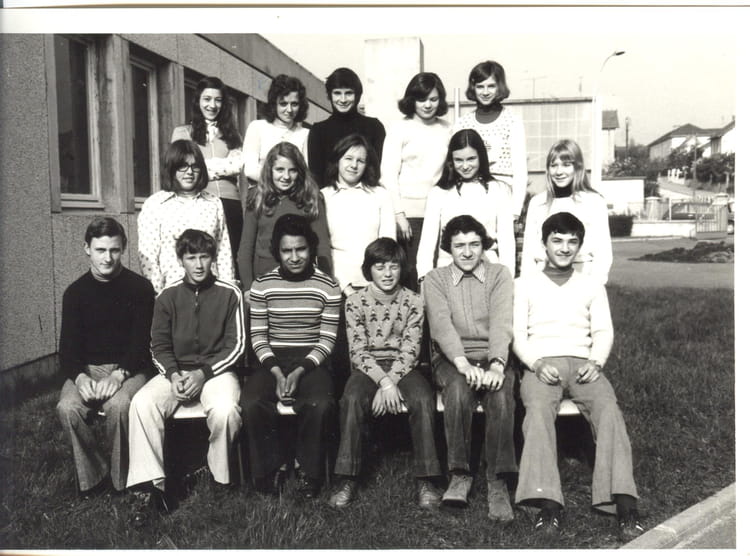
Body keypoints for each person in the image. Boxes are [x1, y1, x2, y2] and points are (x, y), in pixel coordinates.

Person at [513, 212, 643, 540]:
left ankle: (623, 502)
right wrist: (535, 364)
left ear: (580, 246)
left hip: (584, 363)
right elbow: (518, 337)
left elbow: (602, 331)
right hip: (542, 363)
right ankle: (547, 504)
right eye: (557, 240)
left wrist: (596, 362)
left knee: (609, 410)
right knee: (538, 412)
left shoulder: (591, 285)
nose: (564, 247)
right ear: (544, 244)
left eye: (572, 241)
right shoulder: (524, 284)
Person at [127, 229, 245, 517]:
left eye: (204, 256)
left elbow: (236, 345)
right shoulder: (167, 296)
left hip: (216, 372)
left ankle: (219, 479)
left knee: (226, 410)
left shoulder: (230, 294)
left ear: (213, 258)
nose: (199, 264)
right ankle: (150, 488)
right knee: (142, 403)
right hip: (176, 372)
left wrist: (203, 374)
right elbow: (158, 345)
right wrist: (173, 375)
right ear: (181, 260)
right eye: (191, 257)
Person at [328, 238, 441, 510]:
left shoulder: (414, 301)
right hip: (368, 367)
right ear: (368, 269)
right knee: (352, 398)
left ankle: (426, 479)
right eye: (380, 267)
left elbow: (411, 350)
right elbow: (358, 352)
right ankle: (347, 478)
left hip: (405, 367)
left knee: (422, 399)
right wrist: (384, 382)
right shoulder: (355, 302)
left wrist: (390, 382)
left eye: (394, 266)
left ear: (402, 268)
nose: (388, 273)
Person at [423, 215, 516, 523]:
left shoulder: (499, 274)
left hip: (492, 355)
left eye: (474, 244)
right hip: (452, 358)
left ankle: (497, 480)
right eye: (459, 245)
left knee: (500, 396)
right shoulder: (435, 279)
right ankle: (460, 474)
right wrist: (462, 363)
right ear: (448, 248)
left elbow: (502, 322)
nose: (467, 252)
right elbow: (441, 325)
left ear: (483, 245)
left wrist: (497, 364)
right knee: (459, 392)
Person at [240, 214, 340, 498]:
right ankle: (271, 469)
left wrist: (298, 372)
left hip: (311, 360)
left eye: (301, 249)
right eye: (287, 251)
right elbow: (259, 338)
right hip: (271, 359)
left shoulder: (328, 286)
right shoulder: (262, 285)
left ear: (311, 247)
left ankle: (308, 470)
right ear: (277, 251)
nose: (294, 257)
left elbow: (327, 340)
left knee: (320, 403)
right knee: (251, 402)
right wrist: (276, 372)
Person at [56, 217, 154, 497]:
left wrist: (119, 374)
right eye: (100, 250)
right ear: (87, 248)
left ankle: (121, 479)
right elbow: (67, 350)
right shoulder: (75, 293)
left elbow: (141, 344)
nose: (107, 258)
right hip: (88, 369)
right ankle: (95, 476)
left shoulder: (140, 288)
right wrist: (80, 377)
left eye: (114, 250)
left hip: (131, 368)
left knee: (119, 405)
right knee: (67, 408)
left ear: (123, 248)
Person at [380, 72, 452, 289]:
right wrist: (399, 214)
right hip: (408, 216)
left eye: (433, 99)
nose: (428, 105)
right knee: (411, 273)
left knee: (436, 272)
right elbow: (389, 174)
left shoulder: (447, 129)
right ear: (412, 99)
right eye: (422, 99)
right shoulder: (399, 128)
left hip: (438, 211)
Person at [416, 129, 515, 280]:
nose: (465, 166)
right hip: (448, 272)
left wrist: (508, 280)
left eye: (471, 159)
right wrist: (424, 277)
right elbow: (427, 242)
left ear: (481, 157)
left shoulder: (499, 190)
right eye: (459, 160)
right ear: (451, 160)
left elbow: (507, 241)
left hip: (488, 272)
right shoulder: (439, 193)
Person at [138, 139, 234, 294]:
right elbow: (148, 255)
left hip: (211, 291)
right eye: (182, 166)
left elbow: (223, 251)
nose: (189, 172)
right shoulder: (155, 204)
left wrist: (227, 291)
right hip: (172, 291)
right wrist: (159, 294)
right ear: (171, 168)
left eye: (195, 166)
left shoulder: (213, 203)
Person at [237, 141, 332, 290]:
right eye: (279, 169)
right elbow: (245, 248)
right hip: (265, 279)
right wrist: (248, 288)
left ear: (300, 171)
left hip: (302, 280)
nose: (286, 176)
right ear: (270, 170)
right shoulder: (257, 197)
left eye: (292, 170)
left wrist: (326, 282)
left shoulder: (311, 197)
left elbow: (322, 246)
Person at [171, 76, 244, 262]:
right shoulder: (183, 132)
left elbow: (237, 165)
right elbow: (180, 167)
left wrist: (202, 165)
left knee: (231, 257)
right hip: (198, 200)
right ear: (198, 101)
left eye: (218, 100)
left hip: (230, 202)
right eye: (207, 99)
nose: (212, 105)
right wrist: (223, 165)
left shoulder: (233, 135)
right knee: (201, 256)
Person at [520, 139, 612, 284]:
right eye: (553, 165)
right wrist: (528, 286)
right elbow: (528, 253)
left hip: (582, 277)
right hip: (543, 279)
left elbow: (603, 253)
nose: (559, 172)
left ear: (577, 167)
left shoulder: (593, 202)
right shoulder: (537, 203)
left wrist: (594, 286)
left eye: (566, 165)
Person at [321, 133, 396, 297]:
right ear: (337, 160)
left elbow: (388, 246)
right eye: (348, 158)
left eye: (360, 161)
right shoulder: (323, 196)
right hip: (336, 285)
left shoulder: (381, 195)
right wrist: (346, 288)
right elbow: (323, 251)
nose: (354, 165)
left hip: (376, 285)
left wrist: (375, 288)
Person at [454, 60, 528, 225]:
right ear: (473, 88)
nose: (485, 92)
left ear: (499, 87)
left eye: (491, 86)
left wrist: (515, 211)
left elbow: (520, 171)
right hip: (470, 196)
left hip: (502, 196)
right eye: (480, 86)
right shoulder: (462, 123)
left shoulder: (512, 122)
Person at [307, 67, 386, 185]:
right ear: (329, 95)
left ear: (358, 95)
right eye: (337, 93)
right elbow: (316, 176)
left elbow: (377, 170)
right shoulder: (318, 131)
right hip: (329, 194)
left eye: (348, 93)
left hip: (366, 193)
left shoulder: (374, 127)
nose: (343, 100)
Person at [243, 74, 310, 184]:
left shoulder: (306, 134)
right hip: (262, 190)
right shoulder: (257, 127)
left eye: (294, 104)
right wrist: (279, 183)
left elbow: (306, 173)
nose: (289, 110)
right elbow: (250, 170)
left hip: (294, 192)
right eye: (283, 104)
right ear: (274, 104)